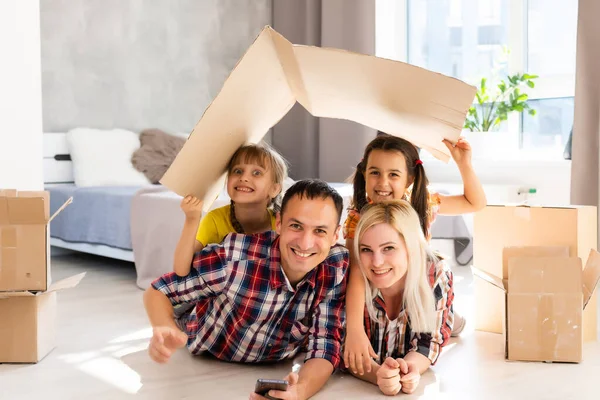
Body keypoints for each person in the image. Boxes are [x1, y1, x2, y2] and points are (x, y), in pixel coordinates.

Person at [145, 179, 348, 400]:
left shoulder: (335, 266)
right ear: (279, 223)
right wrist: (163, 326)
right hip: (209, 340)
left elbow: (326, 345)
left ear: (336, 235)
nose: (306, 243)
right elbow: (159, 289)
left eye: (319, 231)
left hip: (275, 353)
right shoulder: (236, 257)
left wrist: (299, 391)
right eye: (296, 226)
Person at [343, 133, 485, 374]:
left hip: (419, 284)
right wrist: (355, 330)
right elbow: (356, 273)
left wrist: (464, 163)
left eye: (393, 175)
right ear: (364, 174)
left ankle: (450, 320)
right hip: (385, 285)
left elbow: (475, 203)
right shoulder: (358, 217)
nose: (382, 183)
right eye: (375, 172)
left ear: (409, 178)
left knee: (443, 320)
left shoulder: (423, 203)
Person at [347, 200, 454, 395]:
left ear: (410, 247)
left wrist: (411, 369)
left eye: (388, 248)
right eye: (366, 250)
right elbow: (342, 349)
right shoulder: (350, 279)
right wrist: (379, 375)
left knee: (451, 325)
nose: (377, 262)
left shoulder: (435, 274)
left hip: (430, 308)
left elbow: (429, 343)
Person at [173, 142, 288, 276]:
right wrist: (192, 219)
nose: (244, 178)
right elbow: (181, 270)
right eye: (238, 171)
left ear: (274, 189)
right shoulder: (215, 219)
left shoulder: (283, 224)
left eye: (257, 173)